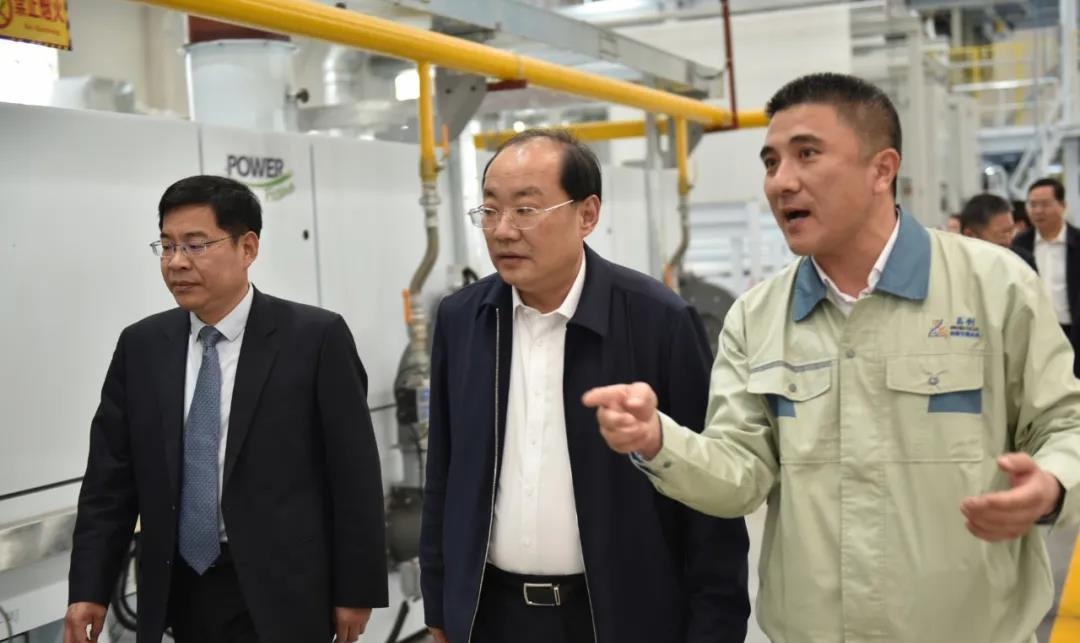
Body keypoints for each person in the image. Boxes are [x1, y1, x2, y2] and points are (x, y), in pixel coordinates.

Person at [584, 73, 1080, 643]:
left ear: (882, 170)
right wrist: (658, 440)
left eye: (807, 154)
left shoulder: (995, 287)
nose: (781, 181)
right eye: (771, 162)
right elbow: (742, 474)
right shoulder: (757, 317)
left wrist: (1051, 482)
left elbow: (1065, 422)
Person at [420, 129, 750, 643]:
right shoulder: (464, 319)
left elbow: (709, 497)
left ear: (587, 214)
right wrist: (441, 609)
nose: (502, 230)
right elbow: (444, 471)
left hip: (617, 619)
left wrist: (714, 630)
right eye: (490, 210)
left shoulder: (658, 321)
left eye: (526, 210)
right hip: (491, 616)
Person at [65, 175, 388, 643]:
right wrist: (89, 589)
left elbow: (354, 476)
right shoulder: (142, 347)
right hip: (178, 587)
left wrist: (356, 590)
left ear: (247, 247)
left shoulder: (314, 339)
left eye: (196, 245)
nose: (177, 262)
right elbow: (109, 483)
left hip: (284, 591)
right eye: (167, 246)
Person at [1012, 177, 1080, 375]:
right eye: (1032, 205)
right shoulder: (1019, 244)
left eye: (1045, 204)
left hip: (1072, 331)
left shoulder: (1077, 241)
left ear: (1063, 206)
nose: (1038, 211)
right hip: (1035, 333)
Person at [959, 192, 1036, 269]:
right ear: (970, 235)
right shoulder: (955, 268)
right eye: (1002, 233)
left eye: (1010, 231)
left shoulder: (1023, 261)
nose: (1008, 241)